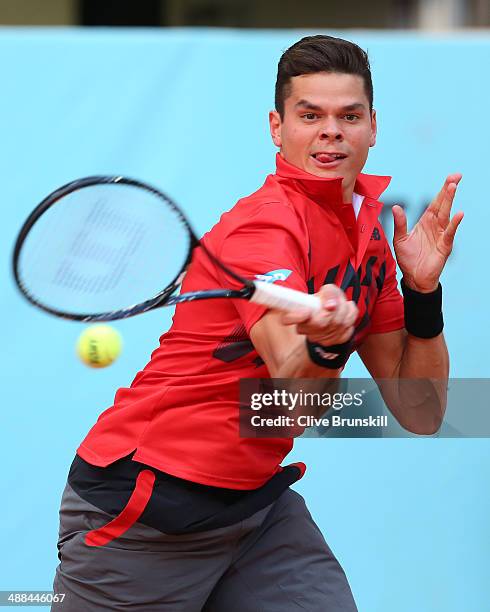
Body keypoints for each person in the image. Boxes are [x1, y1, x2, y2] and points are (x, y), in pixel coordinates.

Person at [51, 35, 463, 611]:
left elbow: (422, 412)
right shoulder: (262, 229)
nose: (331, 131)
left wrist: (423, 294)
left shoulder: (368, 236)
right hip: (150, 507)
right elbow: (290, 400)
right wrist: (322, 350)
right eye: (310, 115)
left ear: (373, 126)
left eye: (349, 116)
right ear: (277, 127)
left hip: (255, 512)